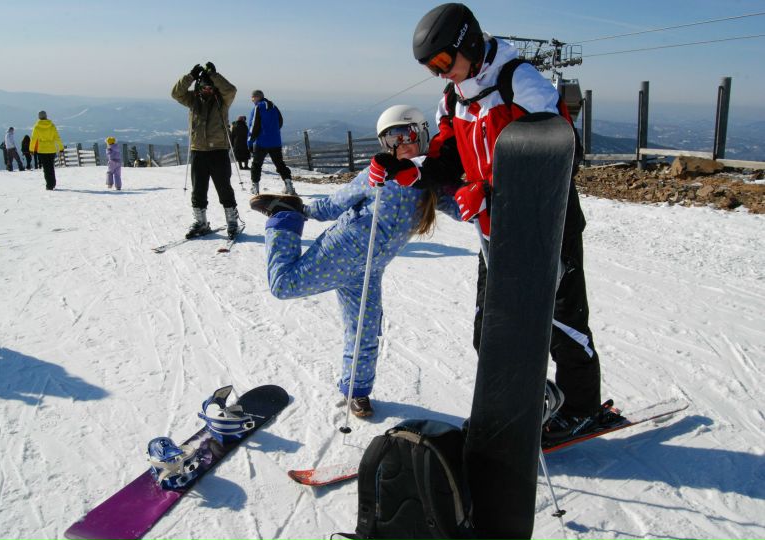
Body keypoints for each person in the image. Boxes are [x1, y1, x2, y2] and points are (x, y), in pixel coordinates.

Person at [374, 3, 610, 440]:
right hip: (495, 229)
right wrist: (409, 170)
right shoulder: (453, 98)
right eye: (431, 68)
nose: (440, 73)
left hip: (547, 222)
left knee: (560, 322)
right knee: (490, 330)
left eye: (443, 61)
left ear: (467, 43)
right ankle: (522, 403)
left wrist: (491, 189)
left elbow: (562, 151)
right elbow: (447, 158)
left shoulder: (519, 81)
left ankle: (581, 407)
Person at [249, 105, 460, 417]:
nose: (400, 144)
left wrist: (487, 203)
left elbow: (462, 208)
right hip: (341, 250)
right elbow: (337, 203)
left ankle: (356, 391)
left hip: (370, 270)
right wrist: (303, 211)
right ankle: (283, 217)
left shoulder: (430, 183)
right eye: (391, 139)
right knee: (283, 286)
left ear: (422, 133)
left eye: (407, 134)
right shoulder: (377, 175)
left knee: (364, 331)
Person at [172, 62, 242, 240]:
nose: (208, 90)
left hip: (218, 150)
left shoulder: (222, 100)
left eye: (210, 87)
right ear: (199, 88)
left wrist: (214, 75)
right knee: (198, 189)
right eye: (204, 87)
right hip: (198, 150)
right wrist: (190, 76)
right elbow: (176, 93)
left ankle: (232, 221)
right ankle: (200, 221)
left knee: (224, 188)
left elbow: (231, 90)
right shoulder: (192, 99)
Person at [247, 90, 296, 196]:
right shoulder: (274, 106)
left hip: (261, 142)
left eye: (253, 97)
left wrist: (250, 143)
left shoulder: (258, 107)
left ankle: (255, 187)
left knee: (256, 165)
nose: (252, 100)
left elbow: (253, 126)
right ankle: (289, 185)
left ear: (257, 97)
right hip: (275, 142)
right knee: (280, 164)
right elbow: (280, 122)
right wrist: (273, 132)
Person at [29, 111, 64, 190]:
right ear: (46, 116)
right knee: (51, 166)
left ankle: (49, 185)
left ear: (39, 117)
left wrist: (31, 150)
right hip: (51, 149)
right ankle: (53, 183)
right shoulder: (52, 125)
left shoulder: (37, 127)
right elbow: (57, 137)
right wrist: (61, 148)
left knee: (46, 168)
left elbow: (33, 139)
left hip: (42, 150)